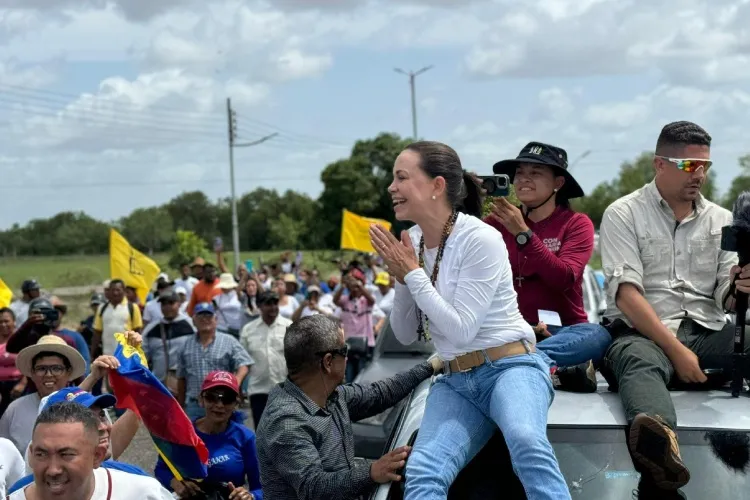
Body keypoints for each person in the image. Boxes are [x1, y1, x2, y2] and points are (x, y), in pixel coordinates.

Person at [370, 141, 570, 499]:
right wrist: (402, 279)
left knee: (526, 442)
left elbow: (462, 330)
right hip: (454, 379)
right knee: (422, 472)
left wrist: (412, 274)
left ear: (436, 186)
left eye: (402, 177)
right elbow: (402, 333)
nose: (392, 187)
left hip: (511, 368)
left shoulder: (481, 238)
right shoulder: (411, 241)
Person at [599, 121, 746, 493]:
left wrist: (740, 287)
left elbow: (723, 295)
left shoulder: (722, 219)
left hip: (706, 331)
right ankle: (660, 451)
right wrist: (677, 351)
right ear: (659, 165)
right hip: (641, 333)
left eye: (705, 166)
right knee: (639, 361)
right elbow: (626, 296)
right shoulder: (623, 213)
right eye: (688, 166)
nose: (699, 174)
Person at [257, 315, 442, 499]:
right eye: (345, 351)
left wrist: (429, 367)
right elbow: (314, 487)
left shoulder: (333, 396)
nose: (348, 358)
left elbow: (379, 394)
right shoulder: (286, 421)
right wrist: (371, 472)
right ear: (328, 362)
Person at [487, 142, 612, 392]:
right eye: (520, 173)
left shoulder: (577, 224)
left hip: (562, 334)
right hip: (511, 331)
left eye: (535, 173)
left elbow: (563, 278)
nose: (524, 179)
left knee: (599, 336)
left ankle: (510, 361)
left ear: (558, 183)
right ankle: (549, 369)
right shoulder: (495, 223)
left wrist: (523, 234)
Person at [9, 401, 172, 499]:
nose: (53, 470)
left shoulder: (143, 493)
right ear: (30, 454)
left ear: (97, 456)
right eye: (41, 454)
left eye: (66, 454)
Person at [156, 371, 262, 500]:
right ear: (201, 400)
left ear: (236, 403)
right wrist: (176, 484)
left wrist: (250, 496)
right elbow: (161, 469)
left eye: (227, 399)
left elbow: (262, 487)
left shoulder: (246, 438)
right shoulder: (181, 433)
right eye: (212, 397)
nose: (219, 405)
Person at [0, 335, 86, 455]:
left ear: (69, 372)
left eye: (56, 368)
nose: (49, 375)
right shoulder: (15, 409)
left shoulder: (86, 406)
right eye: (41, 369)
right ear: (32, 373)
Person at [177, 303, 254, 420]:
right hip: (194, 405)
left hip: (222, 402)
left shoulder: (229, 341)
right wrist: (181, 407)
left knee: (226, 437)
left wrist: (235, 384)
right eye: (200, 316)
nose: (204, 319)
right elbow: (181, 378)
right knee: (194, 438)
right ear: (193, 321)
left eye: (208, 316)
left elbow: (244, 364)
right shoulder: (185, 345)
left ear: (216, 320)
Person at [240, 291, 291, 426]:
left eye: (275, 303)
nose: (273, 307)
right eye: (268, 304)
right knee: (262, 435)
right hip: (258, 391)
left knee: (285, 433)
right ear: (259, 306)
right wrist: (238, 387)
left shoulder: (289, 326)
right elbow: (242, 361)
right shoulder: (248, 330)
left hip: (284, 390)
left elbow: (297, 359)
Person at [142, 290, 196, 396]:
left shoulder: (191, 326)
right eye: (164, 304)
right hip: (159, 386)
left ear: (179, 304)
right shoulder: (151, 329)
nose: (167, 307)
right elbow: (142, 357)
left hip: (186, 386)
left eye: (171, 303)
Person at [334, 268, 376, 382]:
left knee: (363, 376)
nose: (355, 289)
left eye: (358, 286)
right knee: (349, 375)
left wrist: (359, 284)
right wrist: (343, 285)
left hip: (365, 343)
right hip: (349, 344)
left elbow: (372, 300)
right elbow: (335, 300)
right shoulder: (345, 300)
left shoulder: (366, 301)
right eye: (352, 286)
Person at [214, 273, 244, 338]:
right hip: (222, 329)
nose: (225, 288)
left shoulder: (239, 296)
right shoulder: (216, 298)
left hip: (238, 329)